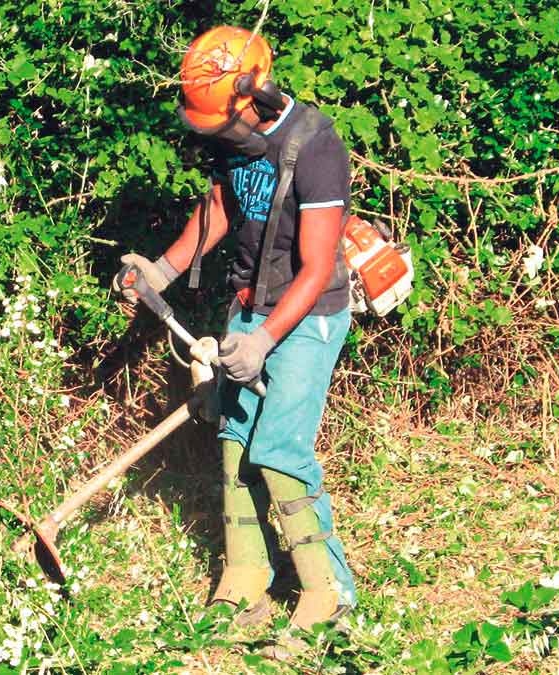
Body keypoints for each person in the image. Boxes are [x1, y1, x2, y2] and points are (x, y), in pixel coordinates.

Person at [112, 25, 356, 633]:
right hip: (249, 307)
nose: (217, 134)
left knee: (279, 450)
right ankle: (248, 579)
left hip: (308, 316)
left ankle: (330, 595)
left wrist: (266, 340)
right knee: (235, 445)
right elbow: (220, 207)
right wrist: (161, 271)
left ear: (258, 93)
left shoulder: (315, 144)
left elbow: (319, 265)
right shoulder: (232, 134)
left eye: (223, 122)